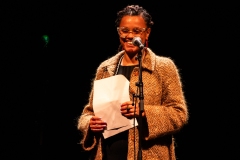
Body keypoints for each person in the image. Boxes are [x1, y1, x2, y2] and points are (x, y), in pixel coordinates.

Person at [77, 4, 188, 160]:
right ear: (118, 32)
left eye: (136, 31)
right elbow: (87, 113)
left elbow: (179, 114)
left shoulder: (164, 67)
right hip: (108, 154)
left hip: (150, 155)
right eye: (125, 30)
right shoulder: (105, 68)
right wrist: (90, 124)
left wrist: (143, 112)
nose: (130, 36)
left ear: (147, 33)